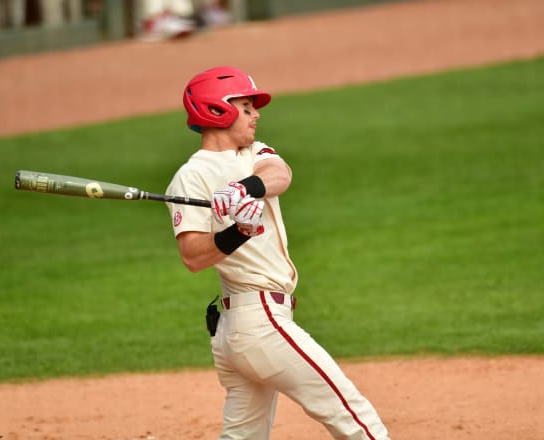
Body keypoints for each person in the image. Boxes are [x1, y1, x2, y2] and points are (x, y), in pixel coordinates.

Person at [165, 66, 391, 440]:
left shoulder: (253, 154)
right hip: (260, 323)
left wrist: (244, 189)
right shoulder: (191, 177)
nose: (256, 115)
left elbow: (279, 174)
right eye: (246, 106)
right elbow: (192, 256)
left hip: (243, 331)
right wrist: (236, 233)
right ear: (217, 110)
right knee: (354, 417)